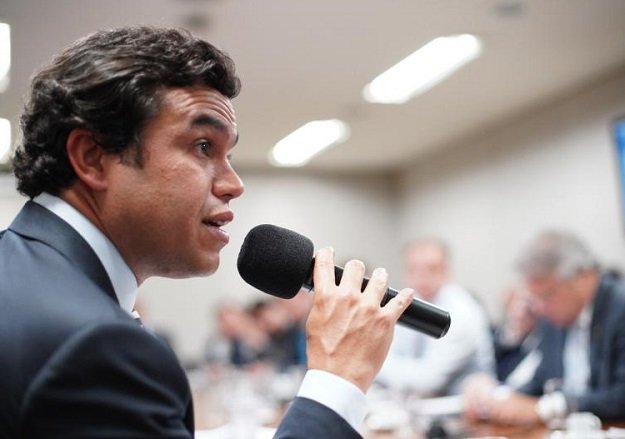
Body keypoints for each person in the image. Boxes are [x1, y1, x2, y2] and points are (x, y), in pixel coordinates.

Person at [0, 26, 415, 438]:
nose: (234, 184)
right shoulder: (95, 346)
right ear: (92, 157)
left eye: (228, 154)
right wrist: (337, 380)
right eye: (203, 147)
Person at [474, 230, 625, 426]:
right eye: (534, 297)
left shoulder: (619, 307)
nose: (540, 307)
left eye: (547, 295)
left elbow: (620, 395)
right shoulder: (552, 320)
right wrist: (497, 399)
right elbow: (540, 382)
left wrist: (547, 409)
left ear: (584, 277)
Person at [376, 238, 495, 397]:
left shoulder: (462, 313)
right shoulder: (411, 302)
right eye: (413, 269)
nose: (421, 276)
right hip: (417, 404)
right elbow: (390, 351)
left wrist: (372, 363)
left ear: (446, 271)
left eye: (431, 269)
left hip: (461, 407)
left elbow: (428, 381)